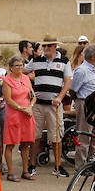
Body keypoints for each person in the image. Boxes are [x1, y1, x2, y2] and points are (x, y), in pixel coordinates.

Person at [26, 38, 69, 176]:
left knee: (56, 136)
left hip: (54, 105)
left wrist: (60, 97)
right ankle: (32, 165)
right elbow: (22, 72)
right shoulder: (36, 60)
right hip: (37, 104)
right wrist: (28, 91)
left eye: (49, 45)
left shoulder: (64, 61)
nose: (46, 48)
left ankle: (58, 166)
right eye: (44, 46)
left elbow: (68, 81)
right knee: (35, 136)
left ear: (55, 46)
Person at [1, 56, 36, 181]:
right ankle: (10, 172)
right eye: (17, 65)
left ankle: (25, 171)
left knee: (25, 143)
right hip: (14, 115)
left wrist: (30, 106)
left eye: (21, 65)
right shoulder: (7, 80)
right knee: (10, 144)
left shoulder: (26, 78)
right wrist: (22, 108)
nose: (20, 67)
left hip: (27, 114)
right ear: (11, 67)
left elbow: (33, 95)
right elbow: (8, 100)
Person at [69, 44, 95, 163]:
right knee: (84, 136)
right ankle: (81, 165)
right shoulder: (82, 70)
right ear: (93, 56)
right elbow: (72, 90)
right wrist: (79, 103)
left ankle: (92, 162)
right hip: (84, 103)